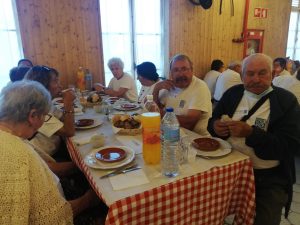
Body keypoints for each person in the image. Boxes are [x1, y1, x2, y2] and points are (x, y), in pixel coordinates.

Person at [207, 53, 300, 225]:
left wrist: (251, 134)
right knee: (209, 213)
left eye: (262, 73)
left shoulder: (286, 101)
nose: (255, 79)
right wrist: (215, 126)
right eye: (249, 74)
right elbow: (212, 121)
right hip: (229, 171)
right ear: (242, 76)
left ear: (272, 75)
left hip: (267, 178)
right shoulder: (232, 94)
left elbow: (290, 146)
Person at [0, 81, 102, 224]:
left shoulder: (10, 138)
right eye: (45, 116)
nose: (44, 121)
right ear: (33, 115)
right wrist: (89, 200)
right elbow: (52, 217)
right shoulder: (17, 155)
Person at [24, 66, 76, 176]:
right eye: (55, 81)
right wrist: (68, 103)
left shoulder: (46, 103)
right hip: (46, 162)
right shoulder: (35, 110)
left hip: (57, 150)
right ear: (43, 84)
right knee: (85, 163)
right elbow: (69, 131)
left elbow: (63, 119)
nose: (60, 85)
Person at [153, 54, 212, 136]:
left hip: (195, 140)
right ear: (171, 73)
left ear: (192, 70)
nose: (180, 74)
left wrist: (159, 114)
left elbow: (189, 124)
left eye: (184, 69)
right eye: (176, 70)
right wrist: (156, 89)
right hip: (168, 135)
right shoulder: (170, 85)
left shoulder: (200, 87)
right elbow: (155, 107)